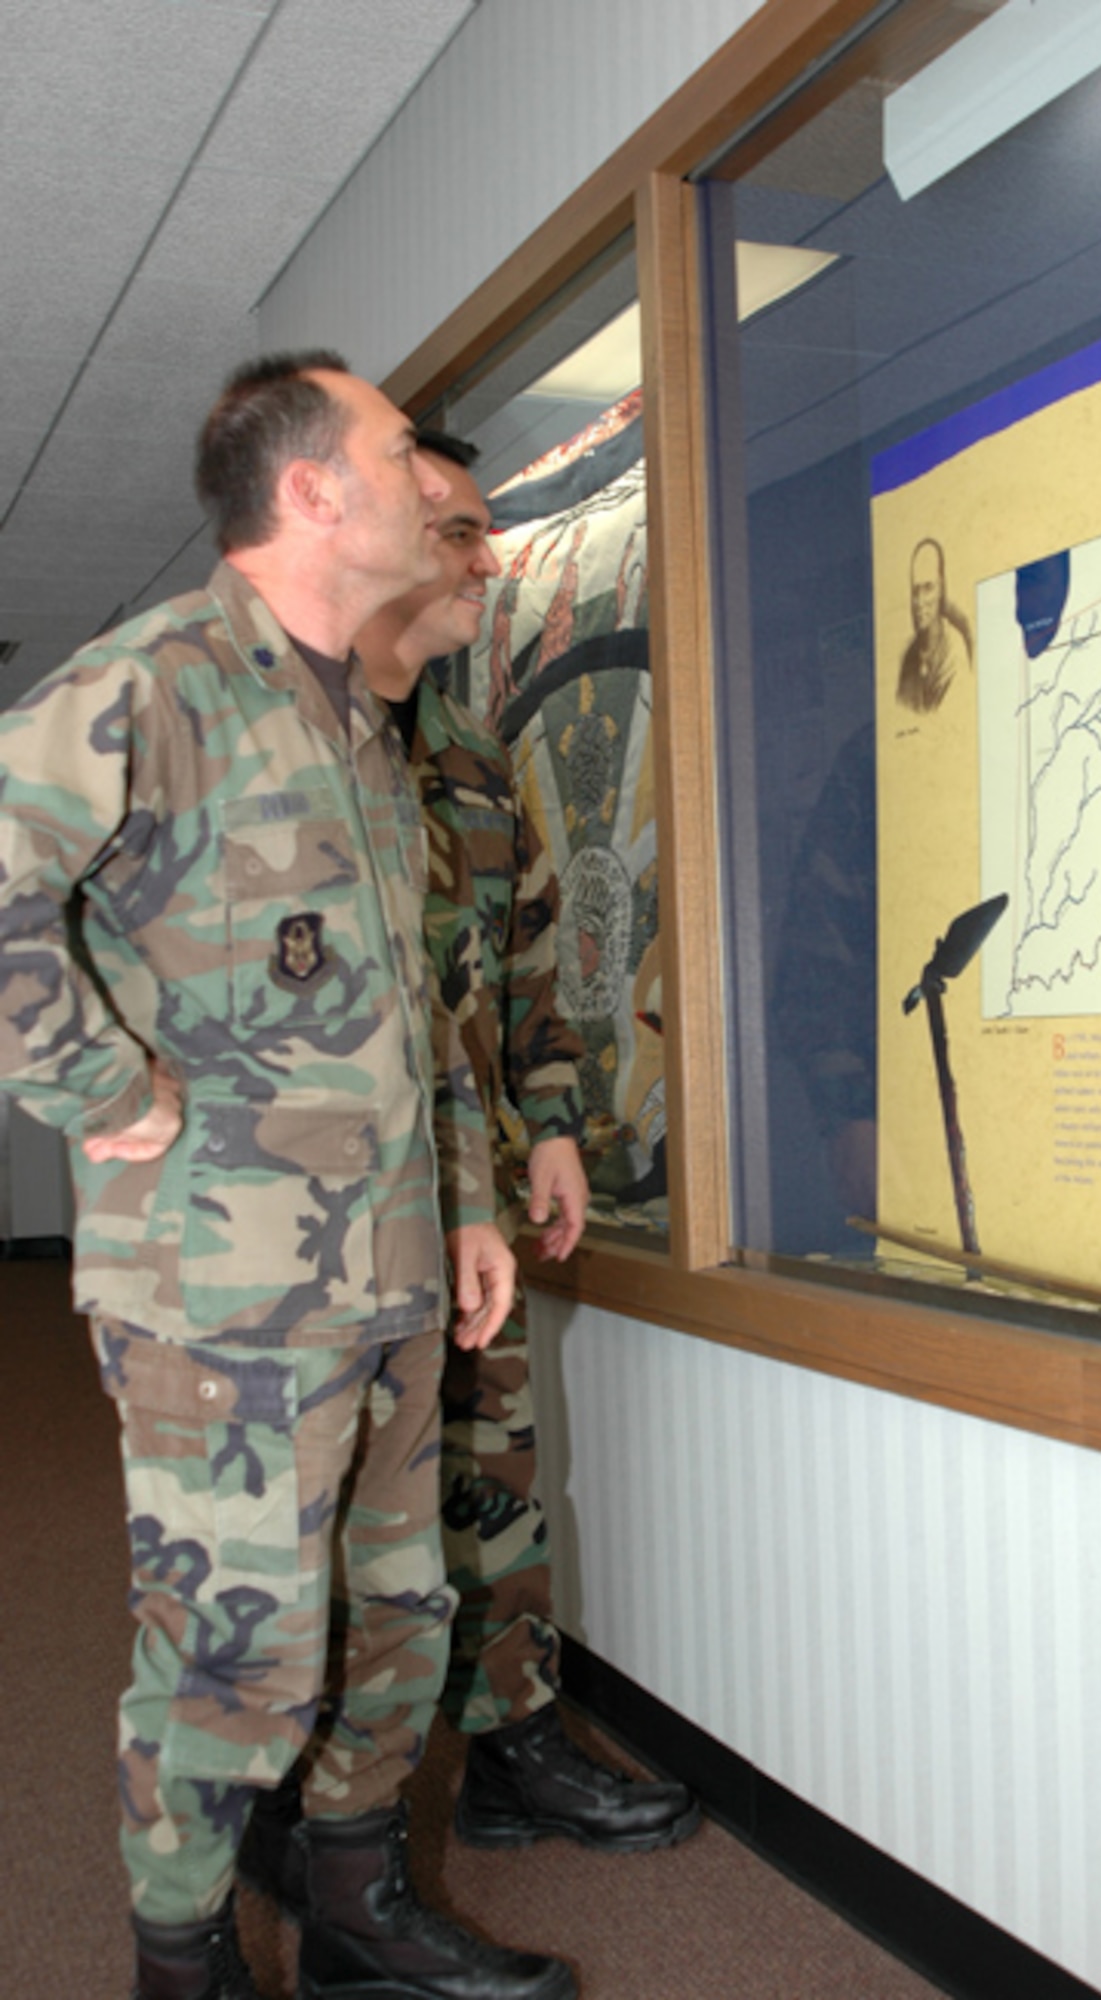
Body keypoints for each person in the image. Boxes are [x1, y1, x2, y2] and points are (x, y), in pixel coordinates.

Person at [0, 355, 574, 2000]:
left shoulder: (362, 728)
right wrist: (94, 1085)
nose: (431, 489)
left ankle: (355, 1908)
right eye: (400, 455)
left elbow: (413, 1005)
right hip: (222, 1300)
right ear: (313, 490)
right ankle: (179, 1960)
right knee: (231, 1655)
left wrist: (464, 1199)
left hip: (389, 1275)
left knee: (401, 1616)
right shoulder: (160, 684)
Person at [245, 431, 698, 1889]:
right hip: (312, 1235)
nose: (488, 561)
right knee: (315, 1511)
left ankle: (509, 1743)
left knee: (490, 1471)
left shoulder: (470, 759)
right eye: (457, 531)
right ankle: (283, 1799)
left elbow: (527, 968)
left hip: (472, 1208)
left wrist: (553, 1125)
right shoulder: (265, 743)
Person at [896, 536, 972, 713]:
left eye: (928, 588)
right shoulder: (908, 658)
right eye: (916, 591)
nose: (920, 601)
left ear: (941, 588)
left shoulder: (954, 653)